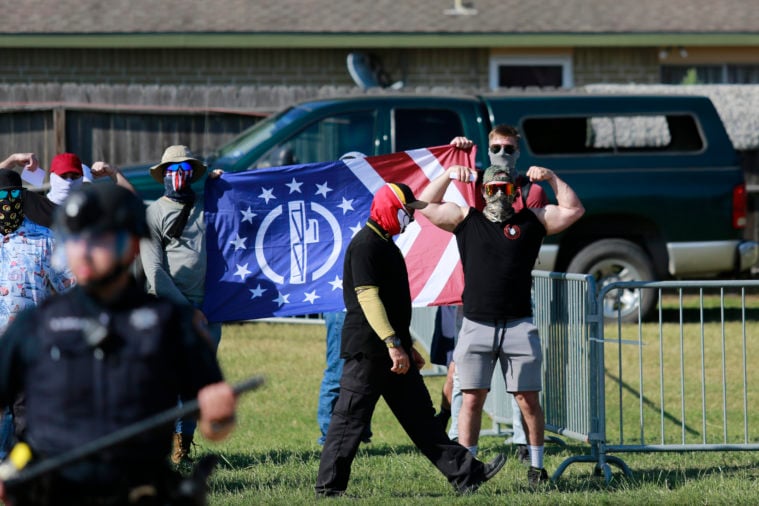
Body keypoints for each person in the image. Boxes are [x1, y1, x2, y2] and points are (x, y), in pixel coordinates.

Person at [0, 184, 237, 505]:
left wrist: (219, 417)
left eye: (98, 239)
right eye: (74, 238)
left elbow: (215, 422)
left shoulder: (169, 324)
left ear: (133, 245)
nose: (83, 251)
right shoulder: (35, 326)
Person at [315, 182, 505, 497]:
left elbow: (392, 304)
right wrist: (392, 343)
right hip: (369, 351)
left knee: (421, 418)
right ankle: (328, 489)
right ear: (389, 210)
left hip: (394, 351)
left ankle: (467, 474)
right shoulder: (366, 245)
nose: (411, 219)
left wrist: (407, 346)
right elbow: (369, 299)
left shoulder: (385, 244)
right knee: (348, 421)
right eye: (406, 212)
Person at [418, 149, 584, 488]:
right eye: (492, 189)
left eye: (505, 190)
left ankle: (536, 468)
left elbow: (574, 209)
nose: (498, 195)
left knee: (528, 399)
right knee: (472, 399)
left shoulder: (532, 221)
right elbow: (423, 205)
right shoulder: (467, 218)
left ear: (516, 193)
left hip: (518, 324)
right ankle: (465, 472)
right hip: (476, 323)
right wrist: (450, 175)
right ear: (483, 191)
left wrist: (551, 177)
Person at [446, 128, 549, 466]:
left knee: (524, 391)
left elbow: (537, 225)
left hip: (514, 305)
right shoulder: (477, 178)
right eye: (496, 147)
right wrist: (456, 155)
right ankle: (460, 451)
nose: (502, 152)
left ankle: (526, 447)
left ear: (518, 151)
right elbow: (456, 207)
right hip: (475, 303)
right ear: (486, 150)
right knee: (463, 379)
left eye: (508, 148)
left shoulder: (531, 189)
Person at [140, 145, 222, 465]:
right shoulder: (154, 214)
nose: (179, 176)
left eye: (186, 170)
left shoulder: (206, 205)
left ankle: (182, 448)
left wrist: (222, 184)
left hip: (209, 309)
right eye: (173, 170)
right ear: (163, 175)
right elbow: (155, 273)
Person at [0, 168, 76, 460]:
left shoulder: (45, 240)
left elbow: (72, 288)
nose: (7, 203)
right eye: (1, 198)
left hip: (31, 348)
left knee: (26, 420)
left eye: (13, 196)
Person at [316, 151, 372, 447]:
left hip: (370, 300)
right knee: (338, 370)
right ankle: (329, 434)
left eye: (362, 169)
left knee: (366, 368)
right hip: (338, 301)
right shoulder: (327, 203)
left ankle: (358, 430)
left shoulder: (375, 201)